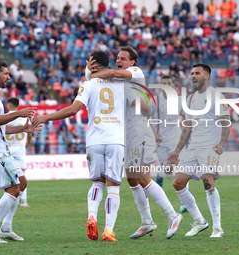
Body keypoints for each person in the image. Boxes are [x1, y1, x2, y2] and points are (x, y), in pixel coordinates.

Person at [87, 46, 182, 239]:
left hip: (139, 134)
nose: (119, 61)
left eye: (123, 58)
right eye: (117, 58)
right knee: (132, 180)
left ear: (133, 62)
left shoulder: (135, 73)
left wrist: (92, 73)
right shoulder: (121, 82)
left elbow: (145, 107)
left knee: (143, 178)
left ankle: (173, 215)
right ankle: (147, 221)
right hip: (125, 136)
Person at [32, 52, 125, 242]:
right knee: (113, 186)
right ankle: (108, 230)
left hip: (94, 140)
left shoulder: (88, 85)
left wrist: (46, 117)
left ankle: (92, 216)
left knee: (97, 182)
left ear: (94, 65)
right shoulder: (123, 83)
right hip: (116, 139)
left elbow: (73, 110)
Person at [0, 61, 39, 243]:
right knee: (13, 188)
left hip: (1, 148)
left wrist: (22, 129)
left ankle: (6, 227)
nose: (9, 77)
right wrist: (18, 114)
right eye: (6, 74)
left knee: (22, 183)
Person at [167, 63, 230, 238]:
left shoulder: (217, 96)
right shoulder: (191, 98)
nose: (193, 76)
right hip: (193, 146)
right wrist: (177, 151)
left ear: (207, 76)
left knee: (207, 181)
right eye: (192, 73)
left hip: (210, 146)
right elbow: (187, 127)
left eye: (197, 73)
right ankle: (200, 221)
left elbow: (225, 121)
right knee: (178, 183)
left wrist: (221, 143)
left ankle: (217, 228)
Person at [149, 75, 187, 213]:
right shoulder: (154, 101)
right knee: (168, 172)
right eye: (164, 83)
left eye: (169, 83)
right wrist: (154, 135)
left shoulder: (179, 101)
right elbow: (146, 119)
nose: (167, 85)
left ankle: (185, 202)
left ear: (172, 85)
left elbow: (186, 117)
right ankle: (160, 175)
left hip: (176, 140)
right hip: (161, 142)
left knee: (180, 170)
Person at [6, 98, 32, 208]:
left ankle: (9, 201)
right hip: (20, 150)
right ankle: (24, 201)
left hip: (8, 151)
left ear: (9, 105)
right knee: (22, 177)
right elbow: (30, 133)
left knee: (9, 179)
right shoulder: (24, 119)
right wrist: (28, 143)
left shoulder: (4, 117)